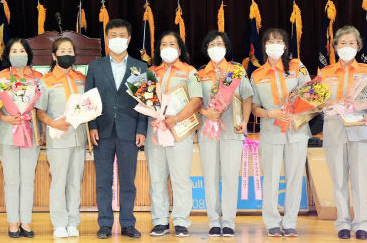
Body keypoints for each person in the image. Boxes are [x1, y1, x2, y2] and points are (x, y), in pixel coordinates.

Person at [85, 19, 147, 239]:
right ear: (107, 38)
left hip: (130, 131)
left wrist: (141, 129)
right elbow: (88, 99)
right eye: (113, 35)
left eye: (122, 35)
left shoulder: (140, 67)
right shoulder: (95, 66)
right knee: (103, 180)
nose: (118, 39)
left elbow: (145, 102)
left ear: (129, 39)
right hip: (101, 130)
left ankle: (128, 223)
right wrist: (91, 126)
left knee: (128, 180)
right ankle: (104, 223)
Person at [250, 28, 310, 237]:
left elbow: (310, 94)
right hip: (271, 131)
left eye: (279, 40)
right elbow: (254, 107)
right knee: (271, 178)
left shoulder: (296, 66)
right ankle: (272, 221)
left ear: (285, 45)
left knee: (294, 177)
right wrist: (270, 113)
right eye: (270, 41)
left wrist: (297, 111)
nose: (274, 44)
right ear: (264, 45)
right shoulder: (257, 74)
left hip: (297, 130)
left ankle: (290, 221)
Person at [318, 25, 367, 240]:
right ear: (335, 47)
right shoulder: (325, 73)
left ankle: (362, 224)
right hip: (334, 131)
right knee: (339, 180)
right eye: (342, 43)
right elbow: (317, 101)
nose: (346, 47)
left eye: (351, 43)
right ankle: (342, 222)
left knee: (359, 179)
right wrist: (330, 102)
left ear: (358, 46)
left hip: (361, 130)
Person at [145, 31, 202, 237]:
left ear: (179, 49)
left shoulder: (190, 71)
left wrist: (175, 119)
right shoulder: (151, 72)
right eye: (163, 44)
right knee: (157, 178)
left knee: (180, 178)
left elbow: (196, 100)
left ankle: (181, 221)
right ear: (158, 49)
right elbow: (144, 99)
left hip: (180, 132)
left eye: (172, 44)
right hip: (156, 132)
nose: (167, 47)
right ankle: (159, 220)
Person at [197, 31, 253, 237]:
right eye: (212, 43)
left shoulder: (236, 71)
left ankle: (228, 221)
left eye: (220, 43)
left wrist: (245, 122)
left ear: (227, 47)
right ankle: (213, 220)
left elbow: (247, 97)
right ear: (206, 48)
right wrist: (206, 112)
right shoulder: (200, 72)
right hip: (207, 132)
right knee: (210, 176)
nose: (216, 47)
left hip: (231, 129)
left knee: (230, 176)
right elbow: (195, 102)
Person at [35, 37, 87, 238]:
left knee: (75, 181)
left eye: (70, 51)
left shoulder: (81, 78)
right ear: (54, 56)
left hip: (78, 137)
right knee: (58, 181)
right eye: (62, 51)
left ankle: (73, 221)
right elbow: (40, 112)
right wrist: (53, 123)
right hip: (57, 137)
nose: (67, 54)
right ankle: (58, 222)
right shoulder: (45, 81)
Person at [0, 38, 43, 238]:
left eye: (22, 50)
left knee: (28, 179)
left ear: (28, 53)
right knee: (12, 179)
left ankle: (26, 222)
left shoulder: (39, 77)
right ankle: (13, 222)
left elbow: (42, 106)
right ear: (8, 55)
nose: (18, 54)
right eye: (14, 51)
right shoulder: (1, 77)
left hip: (31, 132)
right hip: (8, 132)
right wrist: (5, 116)